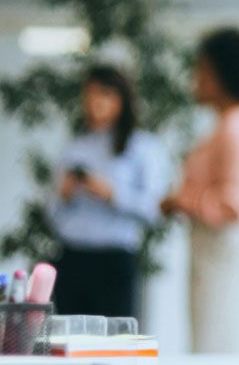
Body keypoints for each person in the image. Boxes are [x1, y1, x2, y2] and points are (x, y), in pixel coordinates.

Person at [161, 28, 239, 353]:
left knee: (219, 352)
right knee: (211, 349)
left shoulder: (238, 127)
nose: (196, 78)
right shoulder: (228, 125)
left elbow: (235, 204)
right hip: (214, 252)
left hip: (228, 253)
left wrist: (181, 200)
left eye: (202, 70)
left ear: (222, 73)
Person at [48, 65, 168, 319]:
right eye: (89, 94)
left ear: (122, 99)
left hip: (114, 260)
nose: (95, 102)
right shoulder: (74, 148)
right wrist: (65, 195)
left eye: (104, 94)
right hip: (72, 258)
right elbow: (52, 213)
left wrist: (112, 194)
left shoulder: (141, 148)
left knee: (115, 346)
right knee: (71, 344)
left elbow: (155, 209)